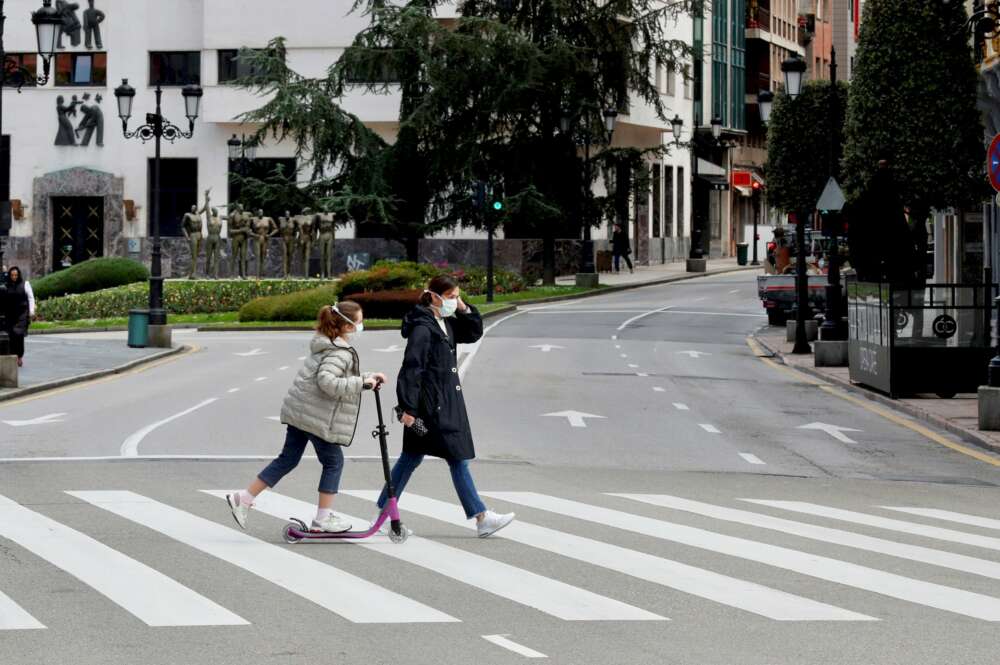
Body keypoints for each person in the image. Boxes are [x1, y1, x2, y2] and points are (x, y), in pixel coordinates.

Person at [227, 301, 387, 532]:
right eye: (360, 322)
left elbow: (336, 376)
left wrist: (368, 378)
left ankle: (244, 497)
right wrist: (362, 383)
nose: (363, 326)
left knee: (288, 459)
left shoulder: (327, 344)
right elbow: (327, 382)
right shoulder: (340, 352)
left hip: (301, 412)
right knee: (334, 462)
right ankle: (323, 517)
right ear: (348, 326)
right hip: (315, 416)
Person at [375, 275, 515, 538]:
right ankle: (482, 517)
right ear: (434, 296)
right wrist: (407, 408)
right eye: (451, 296)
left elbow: (473, 333)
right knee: (457, 457)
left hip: (444, 402)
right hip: (430, 408)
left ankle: (383, 512)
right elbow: (412, 367)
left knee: (412, 459)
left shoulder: (445, 322)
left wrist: (463, 308)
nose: (455, 301)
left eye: (457, 296)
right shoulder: (423, 327)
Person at [3, 267, 35, 368]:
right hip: (11, 314)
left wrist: (31, 311)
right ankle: (14, 356)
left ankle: (20, 356)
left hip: (22, 313)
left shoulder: (25, 284)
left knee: (19, 334)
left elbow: (31, 297)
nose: (14, 277)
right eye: (12, 275)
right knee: (12, 335)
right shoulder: (6, 286)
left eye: (16, 275)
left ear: (19, 275)